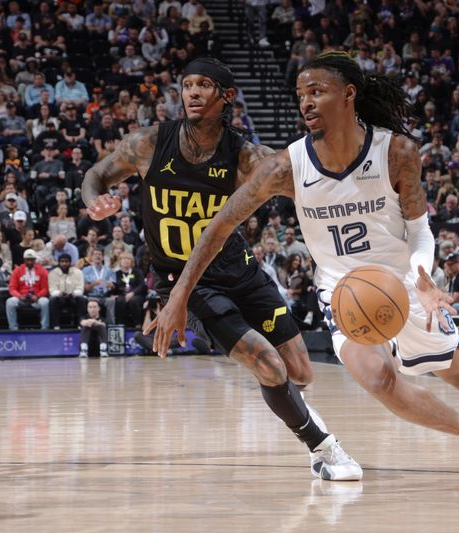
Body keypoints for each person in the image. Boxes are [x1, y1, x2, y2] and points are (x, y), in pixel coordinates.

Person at [150, 52, 459, 492]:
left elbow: (420, 232)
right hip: (342, 287)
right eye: (301, 95)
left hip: (403, 280)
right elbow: (217, 228)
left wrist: (425, 279)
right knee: (378, 378)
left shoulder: (396, 151)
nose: (307, 103)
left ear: (349, 94)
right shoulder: (287, 166)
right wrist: (178, 297)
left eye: (317, 92)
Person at [81, 57, 360, 481]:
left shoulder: (246, 156)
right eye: (187, 85)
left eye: (204, 85)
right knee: (268, 365)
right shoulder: (151, 143)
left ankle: (291, 409)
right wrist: (94, 201)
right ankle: (326, 449)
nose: (192, 92)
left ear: (227, 96)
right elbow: (96, 175)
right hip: (185, 282)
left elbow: (305, 182)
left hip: (240, 269)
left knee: (299, 372)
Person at [7, 249, 50, 330]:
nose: (30, 262)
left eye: (32, 260)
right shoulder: (17, 271)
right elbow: (12, 288)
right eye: (28, 260)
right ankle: (13, 328)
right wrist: (19, 296)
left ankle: (45, 328)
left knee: (45, 302)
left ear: (35, 260)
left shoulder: (42, 271)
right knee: (10, 302)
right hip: (22, 298)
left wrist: (37, 296)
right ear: (24, 260)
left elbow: (45, 288)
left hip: (37, 298)